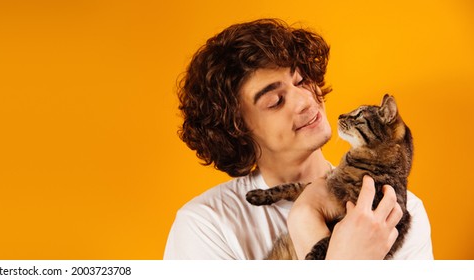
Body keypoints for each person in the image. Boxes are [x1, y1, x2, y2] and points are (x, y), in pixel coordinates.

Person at [164, 18, 433, 260]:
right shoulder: (206, 225)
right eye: (275, 101)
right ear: (237, 129)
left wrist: (306, 218)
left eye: (303, 80)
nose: (307, 101)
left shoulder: (395, 211)